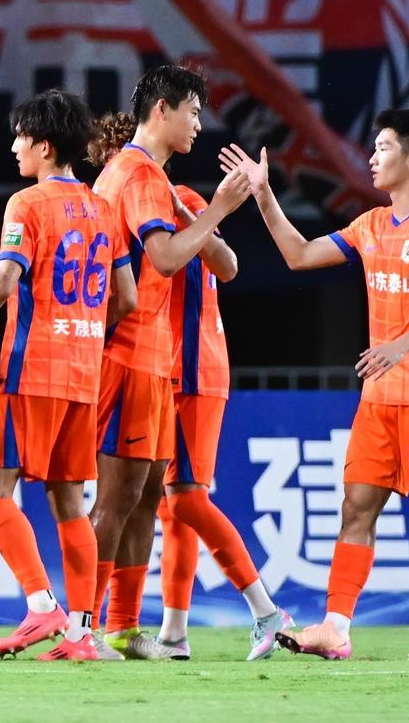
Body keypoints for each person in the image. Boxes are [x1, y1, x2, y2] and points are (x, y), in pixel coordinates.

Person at [225, 107, 409, 662]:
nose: (372, 158)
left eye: (383, 148)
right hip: (378, 398)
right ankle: (336, 627)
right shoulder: (370, 225)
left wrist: (398, 346)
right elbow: (298, 255)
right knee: (356, 509)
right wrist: (264, 195)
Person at [0, 89, 137, 661]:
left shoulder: (27, 204)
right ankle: (81, 634)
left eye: (21, 137)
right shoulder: (104, 208)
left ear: (45, 146)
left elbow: (3, 283)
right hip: (83, 373)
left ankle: (40, 604)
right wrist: (84, 328)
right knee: (68, 502)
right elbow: (127, 297)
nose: (14, 147)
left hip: (33, 371)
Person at [85, 65, 251, 659]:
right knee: (116, 499)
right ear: (162, 109)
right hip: (126, 355)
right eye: (194, 112)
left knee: (146, 496)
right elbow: (163, 259)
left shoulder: (139, 173)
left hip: (155, 358)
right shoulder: (138, 173)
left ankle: (122, 627)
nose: (199, 125)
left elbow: (211, 264)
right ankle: (83, 625)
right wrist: (218, 209)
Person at [154, 184, 292, 661]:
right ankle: (174, 633)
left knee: (187, 499)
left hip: (191, 365)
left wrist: (184, 212)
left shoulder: (177, 197)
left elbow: (228, 265)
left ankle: (266, 611)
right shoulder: (130, 195)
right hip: (165, 366)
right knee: (172, 507)